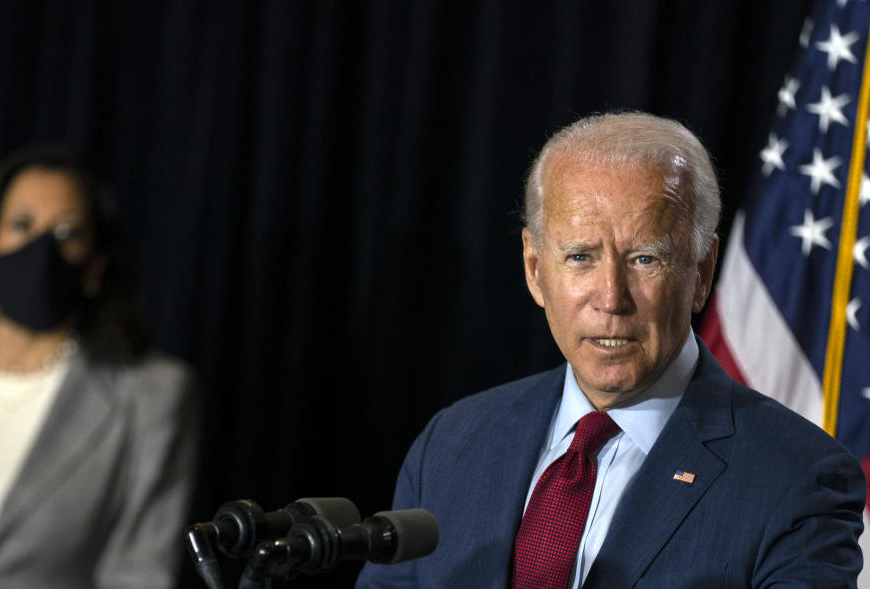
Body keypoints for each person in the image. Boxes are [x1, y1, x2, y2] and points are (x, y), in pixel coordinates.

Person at [355, 112, 866, 588]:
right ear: (535, 269)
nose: (611, 298)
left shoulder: (798, 478)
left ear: (701, 272)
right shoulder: (451, 446)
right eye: (580, 257)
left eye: (645, 259)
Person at [0, 146, 199, 588]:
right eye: (22, 225)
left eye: (67, 232)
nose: (42, 248)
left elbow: (140, 572)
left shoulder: (153, 394)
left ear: (94, 266)